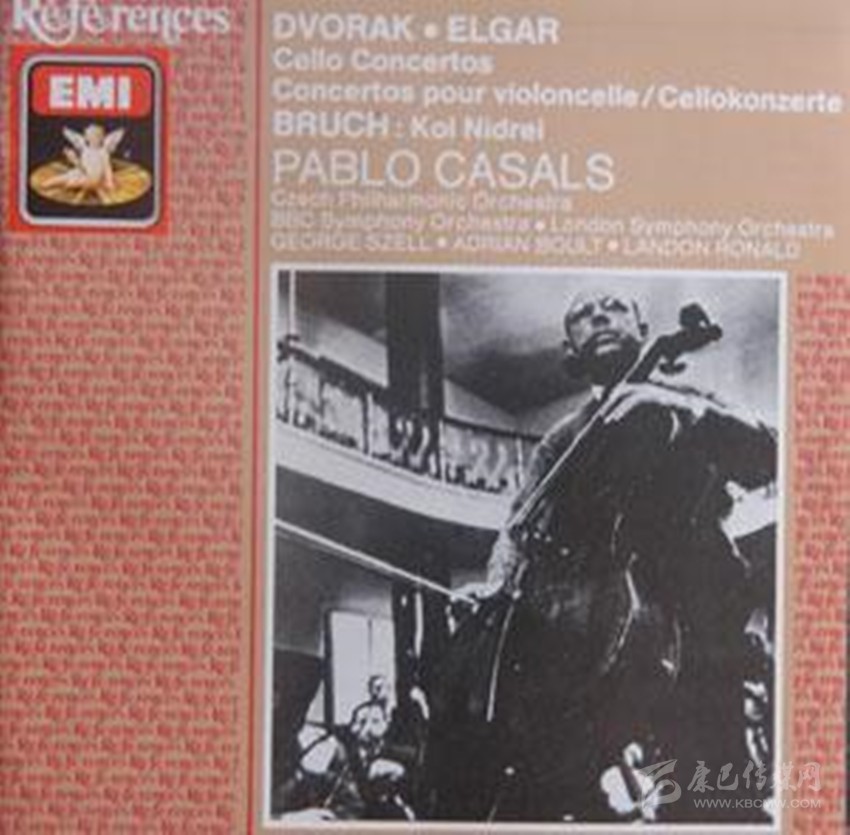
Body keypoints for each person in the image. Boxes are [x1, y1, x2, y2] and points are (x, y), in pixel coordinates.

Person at [435, 287, 777, 822]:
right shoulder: (562, 439)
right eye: (582, 314)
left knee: (715, 791)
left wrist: (679, 406)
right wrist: (497, 586)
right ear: (570, 347)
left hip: (700, 620)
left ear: (642, 329)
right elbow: (519, 530)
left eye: (613, 307)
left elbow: (769, 455)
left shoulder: (688, 400)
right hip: (606, 634)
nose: (598, 317)